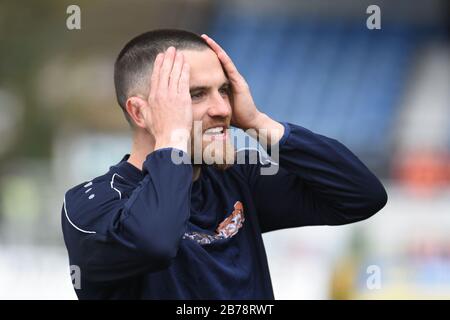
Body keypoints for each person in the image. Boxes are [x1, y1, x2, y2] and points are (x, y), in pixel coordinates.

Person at [61, 29, 387, 299]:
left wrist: (258, 122)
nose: (222, 108)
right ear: (140, 112)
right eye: (196, 94)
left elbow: (361, 195)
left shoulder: (236, 177)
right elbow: (157, 243)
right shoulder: (92, 206)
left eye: (225, 90)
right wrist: (172, 139)